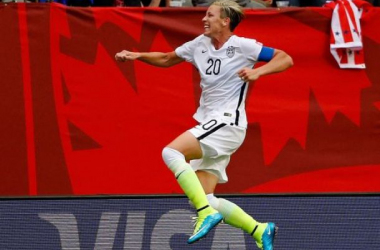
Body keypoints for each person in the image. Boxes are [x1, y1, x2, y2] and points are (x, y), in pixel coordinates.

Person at [115, 0, 293, 248]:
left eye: (210, 15)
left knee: (171, 152)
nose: (204, 19)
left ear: (225, 21)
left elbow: (285, 58)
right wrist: (137, 55)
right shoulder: (199, 44)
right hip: (214, 124)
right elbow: (167, 58)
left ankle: (205, 213)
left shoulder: (242, 46)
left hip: (227, 123)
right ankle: (259, 229)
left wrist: (258, 72)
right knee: (206, 196)